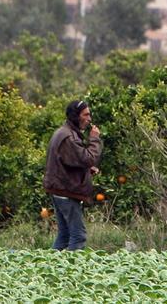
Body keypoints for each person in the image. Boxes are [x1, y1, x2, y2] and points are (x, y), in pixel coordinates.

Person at [43, 99, 103, 251]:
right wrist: (94, 138)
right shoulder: (68, 137)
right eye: (86, 115)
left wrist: (86, 170)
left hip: (59, 189)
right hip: (65, 191)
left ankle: (48, 268)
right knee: (78, 236)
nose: (89, 119)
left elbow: (69, 161)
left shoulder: (64, 133)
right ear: (75, 116)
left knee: (64, 236)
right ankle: (72, 271)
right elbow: (89, 158)